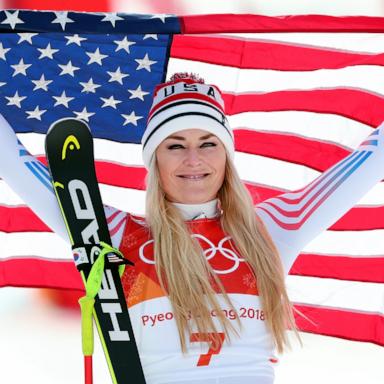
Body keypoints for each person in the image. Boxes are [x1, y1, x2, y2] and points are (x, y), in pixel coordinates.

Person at [1, 72, 384, 384]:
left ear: (226, 154)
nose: (193, 160)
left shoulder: (272, 228)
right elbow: (14, 162)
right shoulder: (113, 234)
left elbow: (371, 159)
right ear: (155, 161)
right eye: (174, 146)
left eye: (208, 143)